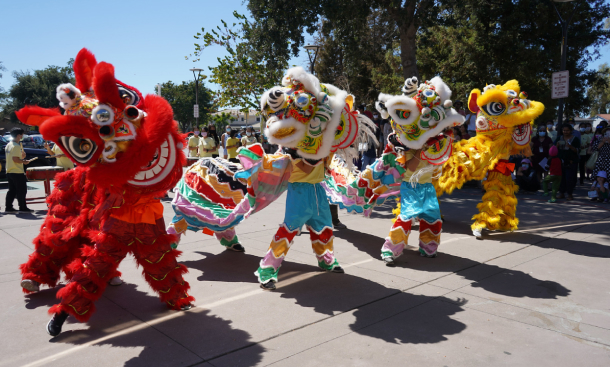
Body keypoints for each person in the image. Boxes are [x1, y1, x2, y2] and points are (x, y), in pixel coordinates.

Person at [5, 127, 34, 213]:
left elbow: (13, 158)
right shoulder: (16, 146)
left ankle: (8, 207)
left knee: (12, 190)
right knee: (22, 190)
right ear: (18, 136)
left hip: (9, 170)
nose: (22, 136)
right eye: (22, 134)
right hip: (17, 171)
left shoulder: (9, 144)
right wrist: (24, 162)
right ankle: (22, 207)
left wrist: (22, 157)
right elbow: (15, 159)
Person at [555, 123, 580, 200]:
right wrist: (557, 146)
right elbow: (553, 149)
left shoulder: (575, 139)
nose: (565, 132)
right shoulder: (559, 138)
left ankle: (569, 194)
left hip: (571, 161)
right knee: (561, 178)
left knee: (570, 178)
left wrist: (570, 147)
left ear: (571, 130)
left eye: (567, 130)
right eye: (564, 130)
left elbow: (578, 150)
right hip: (560, 161)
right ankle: (561, 193)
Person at [590, 127, 610, 202]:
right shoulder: (600, 138)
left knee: (608, 179)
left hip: (609, 161)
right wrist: (603, 142)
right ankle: (594, 195)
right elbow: (594, 147)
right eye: (607, 132)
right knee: (597, 178)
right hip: (600, 160)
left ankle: (607, 196)